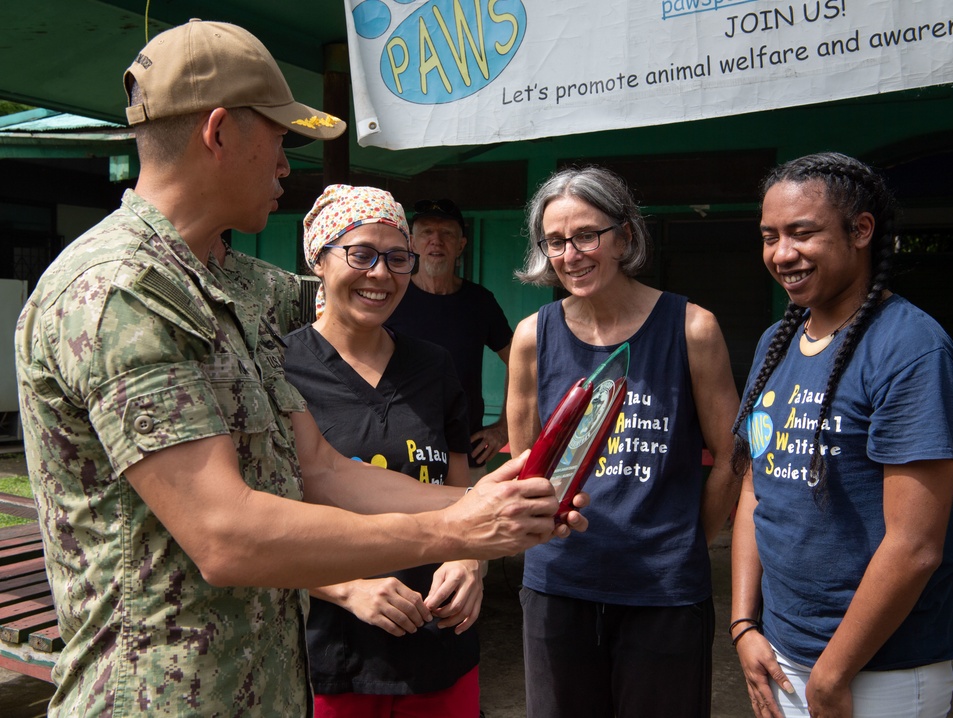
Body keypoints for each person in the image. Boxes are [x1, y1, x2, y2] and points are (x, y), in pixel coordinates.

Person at [14, 20, 586, 717]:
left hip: (264, 690)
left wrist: (489, 502)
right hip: (155, 699)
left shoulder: (231, 285)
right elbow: (226, 535)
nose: (288, 164)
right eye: (281, 138)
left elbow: (321, 468)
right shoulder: (121, 293)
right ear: (220, 132)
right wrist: (457, 533)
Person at [729, 152, 953, 718]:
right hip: (782, 651)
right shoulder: (776, 343)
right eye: (769, 236)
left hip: (882, 666)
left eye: (802, 233)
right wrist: (745, 623)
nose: (781, 254)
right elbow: (753, 490)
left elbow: (914, 545)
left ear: (862, 230)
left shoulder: (911, 351)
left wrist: (833, 674)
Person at [507, 165, 743, 718]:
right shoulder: (532, 339)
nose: (571, 254)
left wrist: (687, 541)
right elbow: (527, 470)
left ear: (625, 236)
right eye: (556, 241)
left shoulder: (691, 328)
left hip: (662, 592)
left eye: (586, 235)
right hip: (559, 583)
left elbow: (732, 457)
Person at [283, 184, 482, 717]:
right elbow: (259, 519)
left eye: (397, 258)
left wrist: (469, 560)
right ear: (320, 262)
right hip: (332, 652)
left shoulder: (434, 365)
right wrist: (347, 588)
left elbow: (459, 495)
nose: (381, 273)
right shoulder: (279, 368)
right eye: (361, 254)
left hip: (439, 640)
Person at [386, 198, 514, 475]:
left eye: (447, 234)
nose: (436, 241)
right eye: (427, 233)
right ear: (412, 243)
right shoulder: (390, 297)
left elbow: (522, 362)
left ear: (461, 245)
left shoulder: (480, 302)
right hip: (400, 454)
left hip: (465, 452)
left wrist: (504, 428)